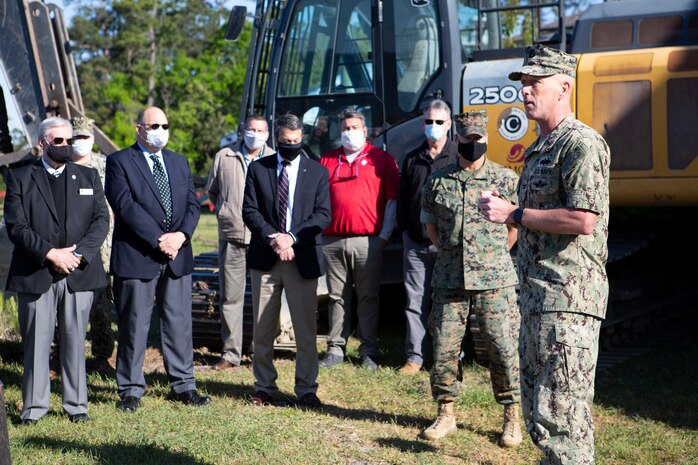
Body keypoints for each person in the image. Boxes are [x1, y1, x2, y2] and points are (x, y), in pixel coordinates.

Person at [479, 45, 610, 465]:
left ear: (564, 87)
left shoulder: (581, 144)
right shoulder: (541, 148)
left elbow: (582, 219)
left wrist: (514, 213)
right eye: (524, 84)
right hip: (536, 298)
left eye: (537, 83)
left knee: (563, 421)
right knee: (543, 418)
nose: (526, 92)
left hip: (567, 302)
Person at [419, 110, 522, 446]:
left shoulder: (505, 180)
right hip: (449, 280)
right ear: (457, 139)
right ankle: (446, 413)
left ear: (487, 140)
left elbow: (514, 229)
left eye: (479, 139)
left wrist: (492, 257)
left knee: (502, 347)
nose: (473, 144)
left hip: (495, 280)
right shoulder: (438, 180)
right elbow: (430, 225)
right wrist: (449, 252)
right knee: (445, 346)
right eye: (467, 139)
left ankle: (511, 417)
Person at [105, 106, 210, 413]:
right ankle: (130, 388)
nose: (161, 131)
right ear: (139, 128)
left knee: (179, 323)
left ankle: (184, 384)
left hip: (177, 254)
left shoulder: (178, 162)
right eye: (154, 125)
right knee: (133, 324)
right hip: (139, 255)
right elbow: (125, 205)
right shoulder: (120, 161)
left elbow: (193, 204)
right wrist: (158, 239)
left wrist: (181, 237)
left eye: (165, 125)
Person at [4, 116, 109, 424]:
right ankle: (34, 409)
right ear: (43, 143)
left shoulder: (88, 177)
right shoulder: (21, 177)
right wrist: (50, 254)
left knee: (75, 340)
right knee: (37, 342)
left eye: (70, 140)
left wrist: (77, 254)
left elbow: (101, 220)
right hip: (37, 272)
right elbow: (16, 225)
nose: (66, 146)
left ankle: (77, 407)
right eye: (59, 141)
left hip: (78, 272)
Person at [242, 113, 330, 407]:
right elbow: (250, 211)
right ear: (276, 140)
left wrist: (291, 237)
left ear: (301, 139)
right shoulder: (258, 168)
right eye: (284, 142)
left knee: (305, 329)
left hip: (301, 256)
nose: (290, 145)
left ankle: (306, 388)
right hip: (266, 259)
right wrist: (275, 239)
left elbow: (322, 215)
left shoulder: (316, 172)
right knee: (263, 326)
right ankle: (264, 385)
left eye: (295, 141)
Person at [318, 108, 400, 371]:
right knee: (337, 297)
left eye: (354, 127)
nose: (349, 132)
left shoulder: (381, 160)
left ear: (365, 131)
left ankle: (368, 350)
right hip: (332, 241)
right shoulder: (327, 161)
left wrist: (384, 235)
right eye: (344, 128)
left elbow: (392, 200)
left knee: (367, 297)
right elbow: (317, 202)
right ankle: (335, 349)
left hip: (368, 241)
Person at [205, 114, 275, 371]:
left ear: (267, 134)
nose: (255, 133)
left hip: (264, 239)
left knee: (264, 299)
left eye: (261, 130)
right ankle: (231, 353)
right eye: (251, 129)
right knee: (230, 298)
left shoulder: (275, 158)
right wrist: (224, 212)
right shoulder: (224, 156)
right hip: (232, 237)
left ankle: (260, 351)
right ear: (243, 131)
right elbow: (213, 191)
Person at [396, 98, 458, 376]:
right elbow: (402, 200)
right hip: (417, 245)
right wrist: (407, 233)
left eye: (439, 122)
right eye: (429, 122)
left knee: (449, 305)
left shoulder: (459, 157)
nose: (433, 127)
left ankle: (449, 360)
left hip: (448, 246)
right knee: (414, 303)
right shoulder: (412, 158)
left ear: (449, 124)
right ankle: (414, 357)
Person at [71, 116, 115, 375]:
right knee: (65, 303)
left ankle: (101, 356)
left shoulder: (105, 165)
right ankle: (62, 354)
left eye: (85, 137)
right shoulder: (62, 165)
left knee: (102, 303)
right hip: (70, 243)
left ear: (93, 139)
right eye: (76, 137)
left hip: (103, 245)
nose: (80, 142)